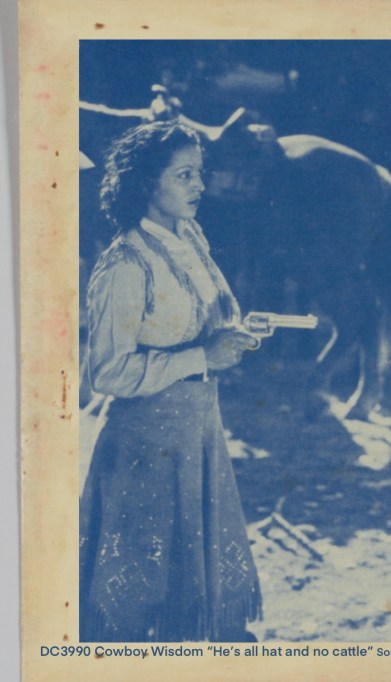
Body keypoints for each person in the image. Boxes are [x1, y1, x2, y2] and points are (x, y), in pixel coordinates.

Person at [79, 121, 262, 642]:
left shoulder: (190, 238)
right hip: (143, 452)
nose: (199, 186)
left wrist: (238, 332)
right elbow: (108, 372)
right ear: (145, 183)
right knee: (132, 618)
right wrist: (203, 355)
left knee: (200, 612)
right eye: (184, 175)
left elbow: (204, 318)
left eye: (199, 173)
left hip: (200, 435)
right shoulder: (124, 265)